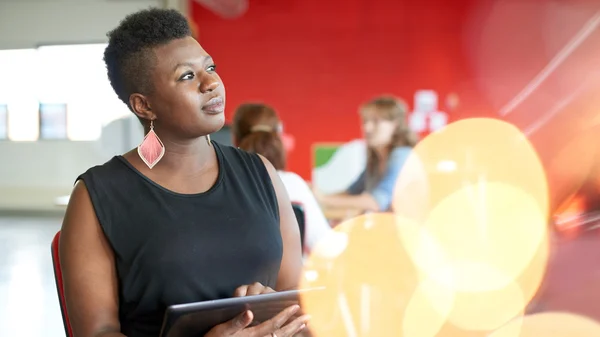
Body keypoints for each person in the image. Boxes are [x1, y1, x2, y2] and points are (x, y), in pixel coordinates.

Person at [59, 8, 308, 337]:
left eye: (210, 67)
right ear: (144, 106)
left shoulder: (260, 172)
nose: (211, 83)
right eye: (187, 76)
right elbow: (98, 331)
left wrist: (274, 313)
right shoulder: (96, 197)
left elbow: (298, 300)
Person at [232, 103, 332, 256]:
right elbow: (326, 248)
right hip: (292, 278)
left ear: (235, 139)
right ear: (278, 136)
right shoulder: (293, 184)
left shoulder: (224, 185)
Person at [316, 95, 418, 213]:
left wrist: (322, 198)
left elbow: (377, 202)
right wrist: (317, 197)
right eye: (365, 121)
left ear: (395, 124)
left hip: (409, 230)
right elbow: (351, 192)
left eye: (376, 121)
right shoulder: (375, 160)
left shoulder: (402, 155)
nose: (367, 128)